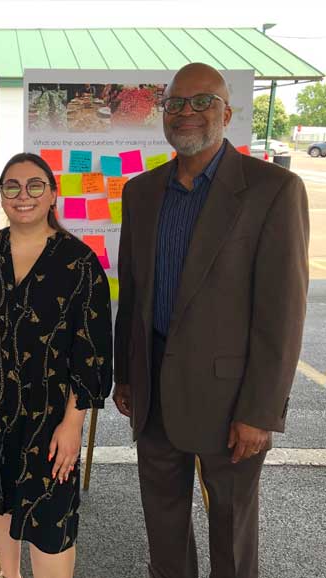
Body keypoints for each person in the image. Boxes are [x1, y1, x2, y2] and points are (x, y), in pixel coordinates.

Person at [113, 62, 309, 578]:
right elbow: (131, 294)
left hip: (231, 407)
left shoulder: (273, 190)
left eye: (202, 102)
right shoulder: (141, 192)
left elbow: (282, 313)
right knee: (164, 528)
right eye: (176, 103)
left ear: (227, 111)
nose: (187, 113)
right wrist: (126, 374)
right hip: (152, 395)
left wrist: (261, 411)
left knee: (232, 532)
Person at [0, 152, 113, 578]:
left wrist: (73, 425)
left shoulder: (80, 264)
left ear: (53, 194)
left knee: (52, 524)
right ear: (1, 196)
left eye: (35, 185)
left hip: (49, 421)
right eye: (11, 186)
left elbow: (91, 355)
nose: (23, 195)